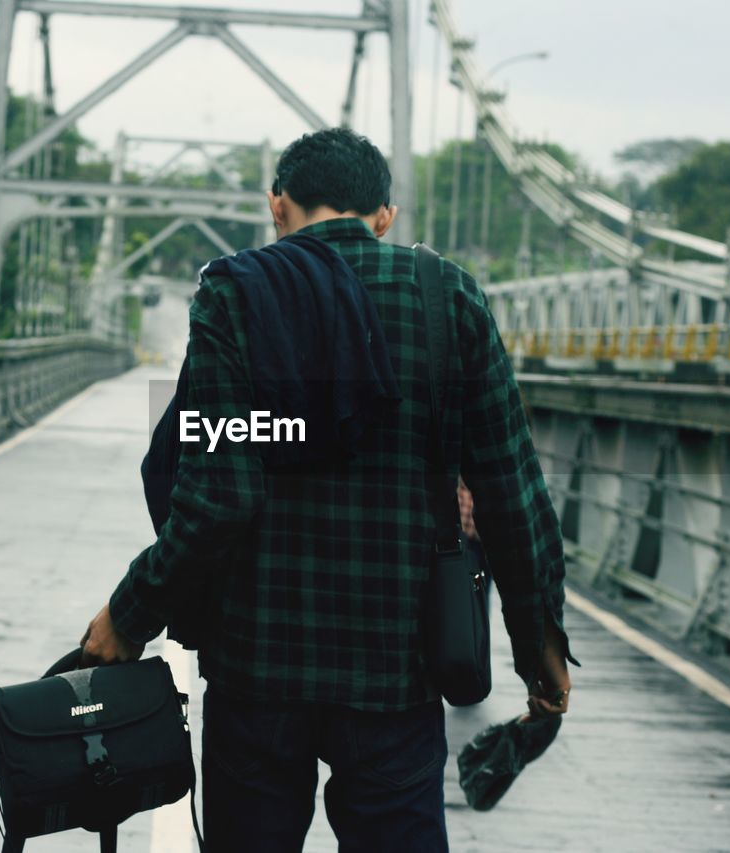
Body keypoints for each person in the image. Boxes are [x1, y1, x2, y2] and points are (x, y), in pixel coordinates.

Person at [81, 127, 575, 852]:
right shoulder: (448, 297)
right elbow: (513, 494)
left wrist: (133, 613)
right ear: (385, 218)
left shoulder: (233, 292)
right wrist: (540, 649)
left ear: (277, 205)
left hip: (257, 667)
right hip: (398, 670)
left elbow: (211, 486)